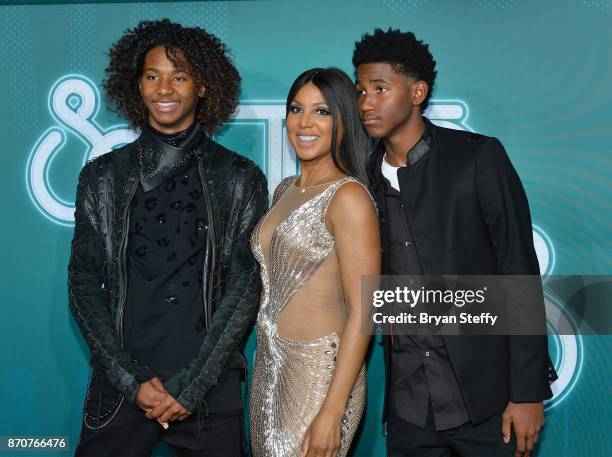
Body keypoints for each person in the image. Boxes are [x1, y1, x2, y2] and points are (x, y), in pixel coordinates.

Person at [353, 28, 556, 457]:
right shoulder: (361, 182)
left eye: (380, 88)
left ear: (417, 92)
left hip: (486, 405)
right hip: (408, 411)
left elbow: (518, 271)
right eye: (360, 90)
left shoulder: (478, 157)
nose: (366, 102)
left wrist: (527, 393)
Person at [68, 19, 267, 456]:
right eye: (152, 76)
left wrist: (191, 385)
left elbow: (245, 285)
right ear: (136, 85)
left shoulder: (239, 178)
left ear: (203, 87)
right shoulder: (101, 176)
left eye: (179, 76)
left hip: (209, 387)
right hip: (121, 387)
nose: (164, 89)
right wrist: (130, 379)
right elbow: (83, 284)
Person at [249, 67, 380, 457]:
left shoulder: (349, 197)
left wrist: (331, 411)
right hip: (270, 366)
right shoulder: (284, 189)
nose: (304, 122)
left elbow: (365, 310)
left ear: (343, 120)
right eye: (296, 109)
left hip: (320, 377)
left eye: (321, 112)